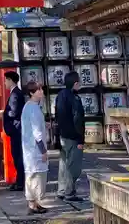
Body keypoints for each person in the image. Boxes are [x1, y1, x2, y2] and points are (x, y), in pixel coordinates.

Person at [55, 71, 85, 202]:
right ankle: (69, 192)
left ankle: (61, 191)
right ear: (76, 83)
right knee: (74, 165)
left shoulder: (60, 95)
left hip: (62, 135)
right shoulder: (75, 98)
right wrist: (80, 138)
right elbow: (77, 119)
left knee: (63, 164)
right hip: (73, 136)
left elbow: (57, 116)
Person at [0, 71, 25, 191]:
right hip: (15, 130)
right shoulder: (14, 94)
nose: (5, 83)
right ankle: (19, 180)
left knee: (18, 157)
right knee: (16, 156)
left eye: (6, 80)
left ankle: (20, 182)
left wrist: (3, 113)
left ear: (11, 80)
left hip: (16, 129)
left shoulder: (15, 94)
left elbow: (14, 112)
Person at [21, 82, 48, 214]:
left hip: (29, 148)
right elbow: (37, 132)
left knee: (32, 175)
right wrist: (43, 151)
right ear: (31, 93)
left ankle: (35, 203)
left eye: (41, 89)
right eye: (38, 90)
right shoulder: (33, 108)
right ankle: (33, 204)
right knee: (36, 177)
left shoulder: (30, 106)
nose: (41, 92)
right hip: (35, 149)